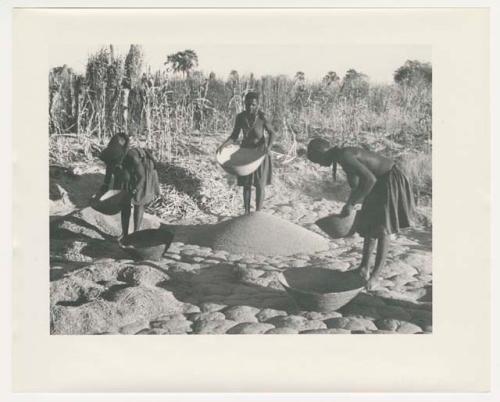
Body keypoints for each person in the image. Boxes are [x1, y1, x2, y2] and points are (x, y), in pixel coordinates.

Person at [307, 138, 415, 290]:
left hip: (389, 179)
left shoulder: (345, 155)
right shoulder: (341, 157)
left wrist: (351, 203)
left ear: (322, 153)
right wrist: (352, 200)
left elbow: (370, 179)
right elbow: (359, 183)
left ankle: (375, 276)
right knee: (369, 225)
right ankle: (364, 268)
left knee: (383, 229)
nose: (318, 164)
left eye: (317, 160)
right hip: (378, 182)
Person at [221, 91, 276, 214]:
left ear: (257, 105)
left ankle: (258, 213)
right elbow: (234, 136)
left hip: (260, 154)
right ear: (244, 104)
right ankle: (246, 212)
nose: (250, 107)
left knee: (260, 185)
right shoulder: (241, 117)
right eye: (248, 104)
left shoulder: (262, 118)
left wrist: (269, 147)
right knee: (246, 184)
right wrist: (223, 146)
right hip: (246, 153)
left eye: (253, 105)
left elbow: (272, 133)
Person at [98, 132, 160, 240]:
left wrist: (135, 190)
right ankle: (125, 234)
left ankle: (136, 234)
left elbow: (141, 177)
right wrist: (105, 185)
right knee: (124, 203)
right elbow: (109, 171)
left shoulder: (132, 157)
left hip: (142, 175)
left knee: (138, 203)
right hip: (126, 177)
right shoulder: (113, 155)